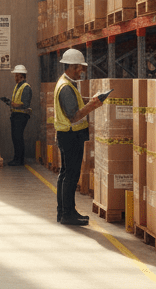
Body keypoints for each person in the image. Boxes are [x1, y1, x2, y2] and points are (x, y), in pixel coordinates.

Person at [54, 48, 103, 226]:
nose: (81, 71)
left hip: (67, 135)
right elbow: (73, 115)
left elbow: (74, 104)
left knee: (65, 174)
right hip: (70, 136)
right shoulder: (66, 87)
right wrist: (93, 105)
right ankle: (67, 214)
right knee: (71, 176)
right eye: (79, 68)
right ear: (71, 67)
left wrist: (90, 100)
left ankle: (65, 211)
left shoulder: (66, 84)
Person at [0, 65, 32, 166]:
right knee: (15, 137)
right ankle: (16, 158)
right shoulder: (18, 86)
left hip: (21, 116)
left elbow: (25, 104)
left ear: (20, 76)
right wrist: (9, 102)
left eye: (16, 76)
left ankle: (19, 160)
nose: (15, 78)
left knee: (18, 137)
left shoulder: (26, 87)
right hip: (15, 115)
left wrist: (12, 104)